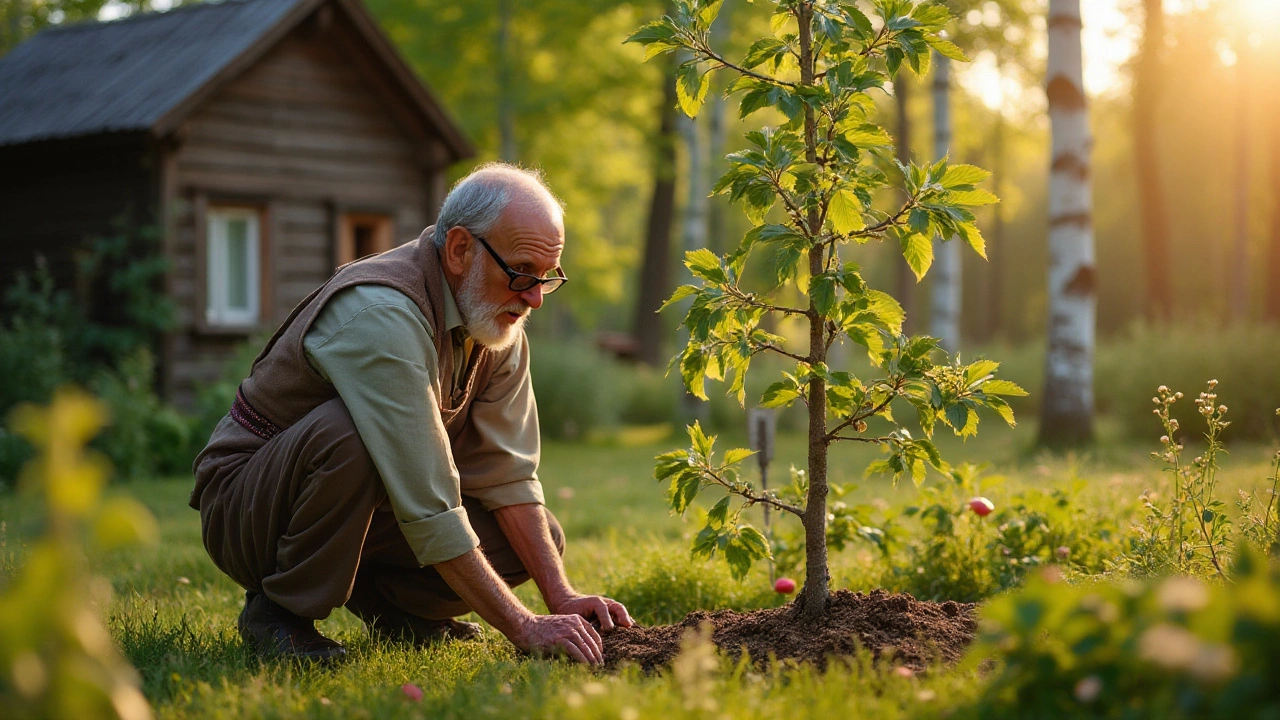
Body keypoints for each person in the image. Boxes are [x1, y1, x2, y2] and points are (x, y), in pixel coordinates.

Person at [191, 163, 632, 666]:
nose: (533, 298)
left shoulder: (496, 321)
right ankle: (278, 613)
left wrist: (561, 597)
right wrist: (523, 625)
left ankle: (395, 614)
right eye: (520, 274)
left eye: (546, 278)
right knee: (349, 435)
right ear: (461, 249)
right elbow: (429, 501)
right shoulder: (382, 313)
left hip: (365, 505)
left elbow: (507, 476)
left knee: (538, 538)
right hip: (247, 507)